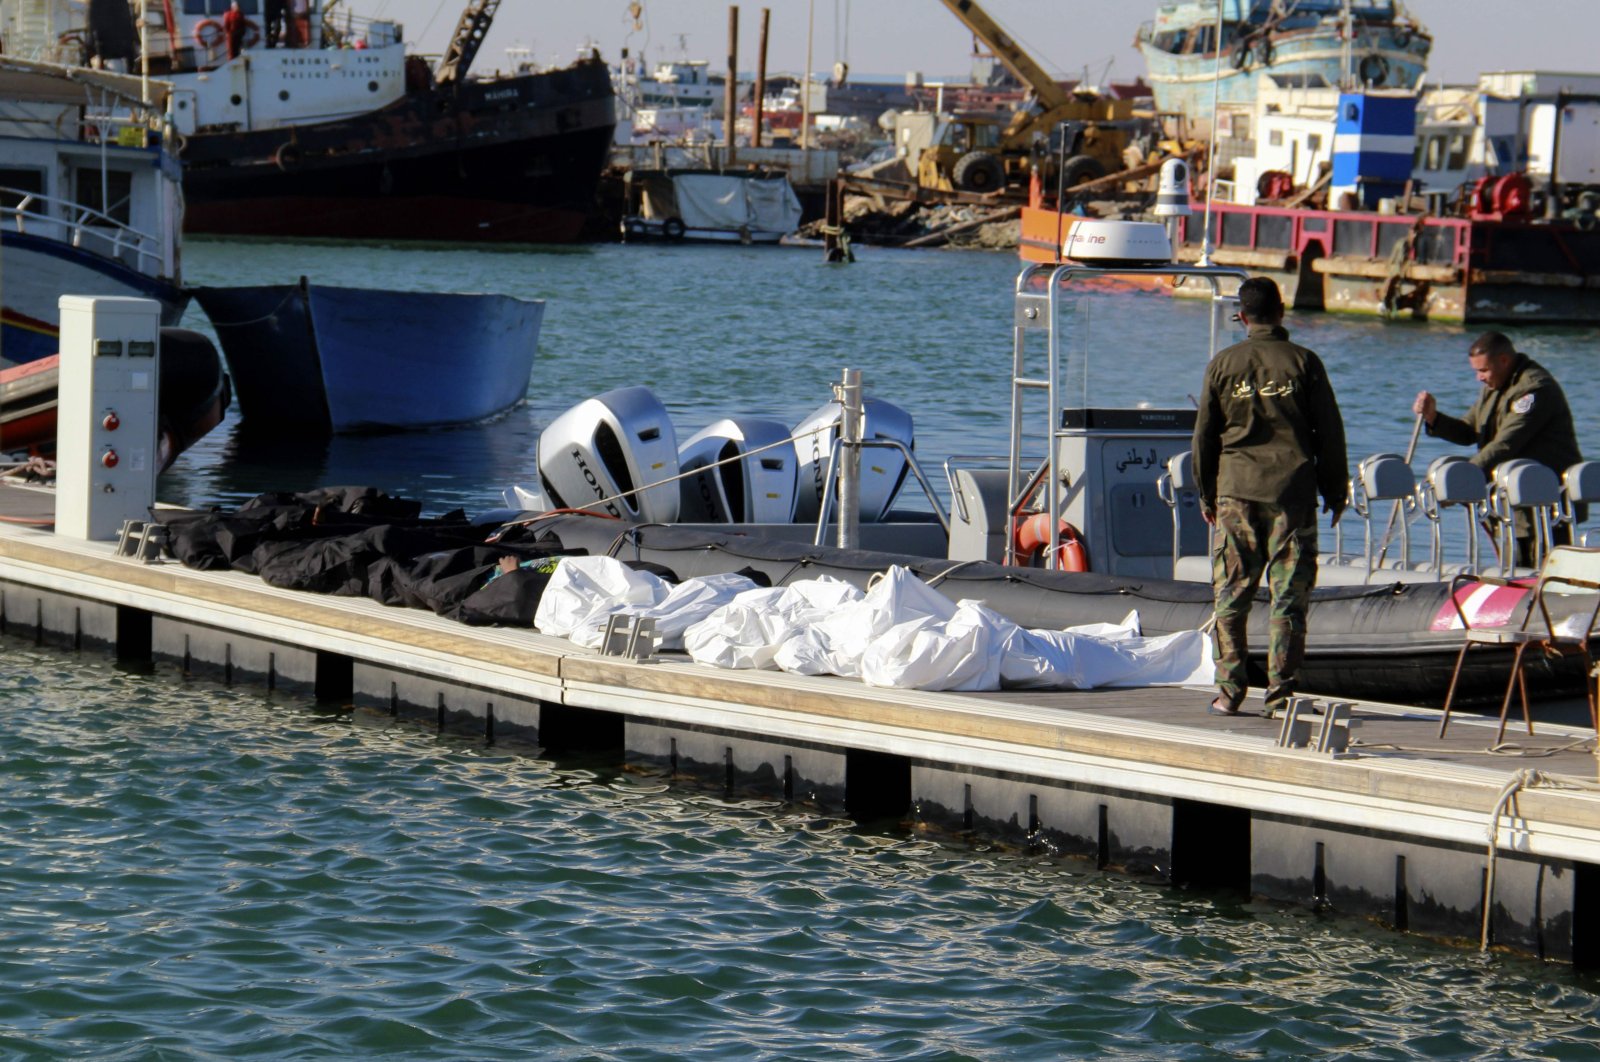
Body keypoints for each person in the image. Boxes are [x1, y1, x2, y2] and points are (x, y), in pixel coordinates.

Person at [1193, 276, 1348, 716]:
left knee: (1232, 595)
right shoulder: (1305, 362)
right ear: (1282, 312)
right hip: (1293, 496)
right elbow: (1329, 432)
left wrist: (1207, 495)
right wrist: (1335, 491)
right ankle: (1280, 696)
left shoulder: (1222, 364)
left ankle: (1229, 692)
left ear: (1241, 316)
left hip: (1236, 492)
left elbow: (1204, 437)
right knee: (1288, 599)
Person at [1412, 331, 1583, 567]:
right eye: (1476, 371)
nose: (1479, 378)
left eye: (1483, 371)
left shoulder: (1534, 391)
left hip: (1545, 505)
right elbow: (1469, 431)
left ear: (1503, 360)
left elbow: (1505, 444)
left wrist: (1463, 477)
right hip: (1513, 503)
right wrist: (1433, 418)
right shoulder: (1495, 386)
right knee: (1514, 569)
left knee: (1541, 572)